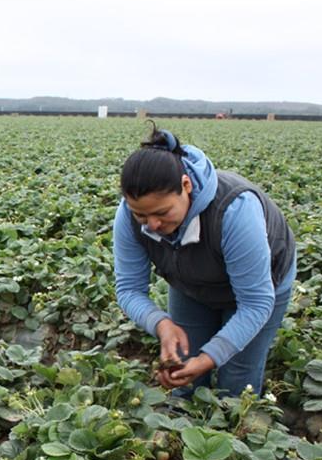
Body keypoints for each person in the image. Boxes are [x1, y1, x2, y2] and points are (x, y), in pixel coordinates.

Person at [113, 124, 296, 396]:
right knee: (183, 369)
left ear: (186, 186)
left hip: (259, 290)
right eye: (142, 215)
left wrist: (210, 357)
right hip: (192, 285)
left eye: (162, 212)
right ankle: (183, 426)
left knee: (236, 379)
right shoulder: (128, 216)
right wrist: (161, 324)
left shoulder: (234, 210)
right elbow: (128, 289)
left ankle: (233, 432)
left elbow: (255, 302)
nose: (152, 224)